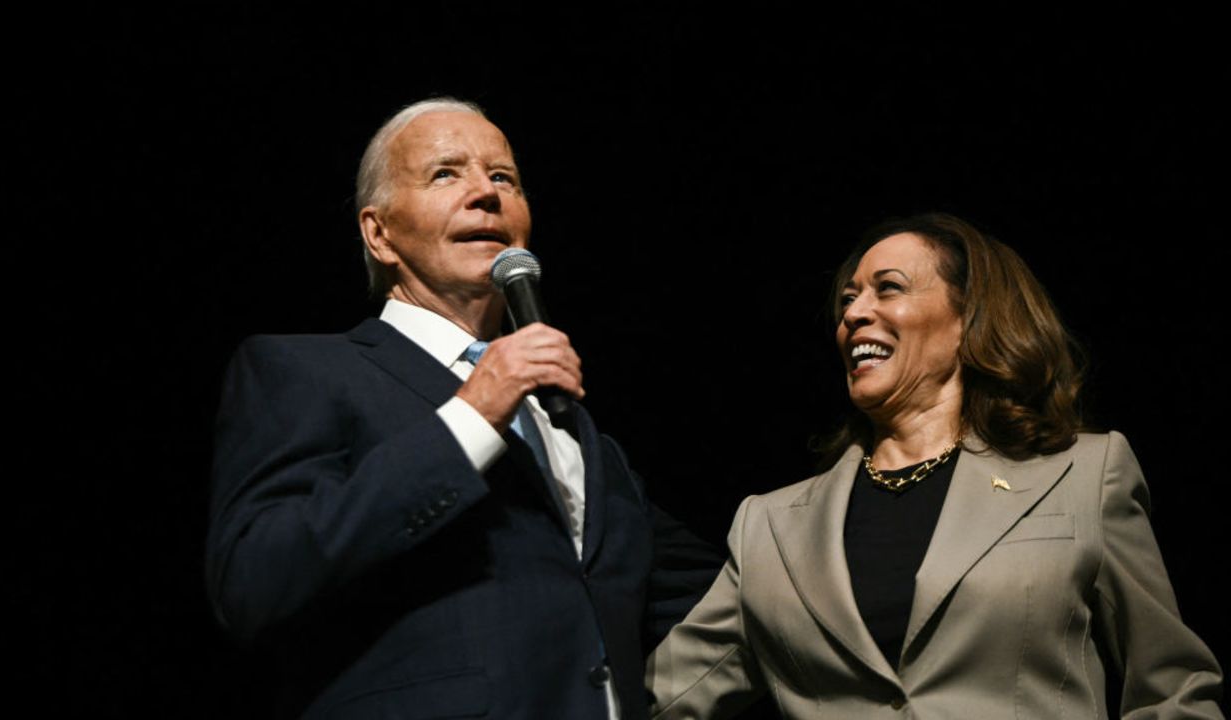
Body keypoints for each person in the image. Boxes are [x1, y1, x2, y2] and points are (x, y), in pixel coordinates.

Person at [206, 98, 718, 719]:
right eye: (446, 173)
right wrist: (472, 415)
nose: (486, 193)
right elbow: (256, 582)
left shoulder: (576, 432)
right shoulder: (303, 372)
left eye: (503, 177)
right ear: (379, 232)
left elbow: (716, 603)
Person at [645, 213, 1224, 718]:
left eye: (886, 289)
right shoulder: (769, 527)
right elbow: (658, 698)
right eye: (848, 299)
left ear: (966, 318)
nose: (855, 313)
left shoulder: (1083, 475)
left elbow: (1173, 688)